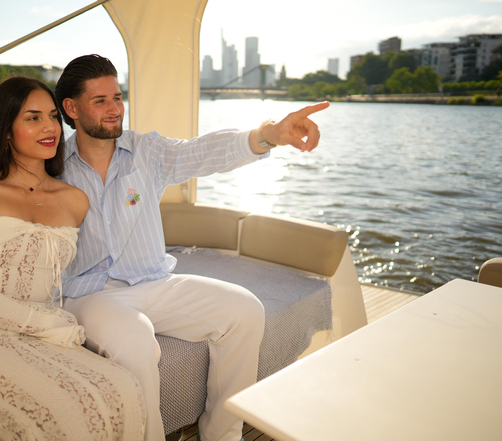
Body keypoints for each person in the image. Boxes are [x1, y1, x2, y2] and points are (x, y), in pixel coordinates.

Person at [52, 55, 330, 441]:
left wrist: (268, 134)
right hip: (91, 294)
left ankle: (221, 435)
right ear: (71, 108)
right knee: (135, 343)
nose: (115, 109)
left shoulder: (147, 151)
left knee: (244, 309)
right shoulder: (51, 168)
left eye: (118, 96)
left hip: (155, 282)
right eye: (100, 101)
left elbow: (202, 152)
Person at [0, 76, 146, 441]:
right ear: (6, 130)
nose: (49, 128)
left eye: (52, 117)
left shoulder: (74, 199)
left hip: (42, 333)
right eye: (32, 118)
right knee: (66, 414)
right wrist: (54, 325)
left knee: (124, 387)